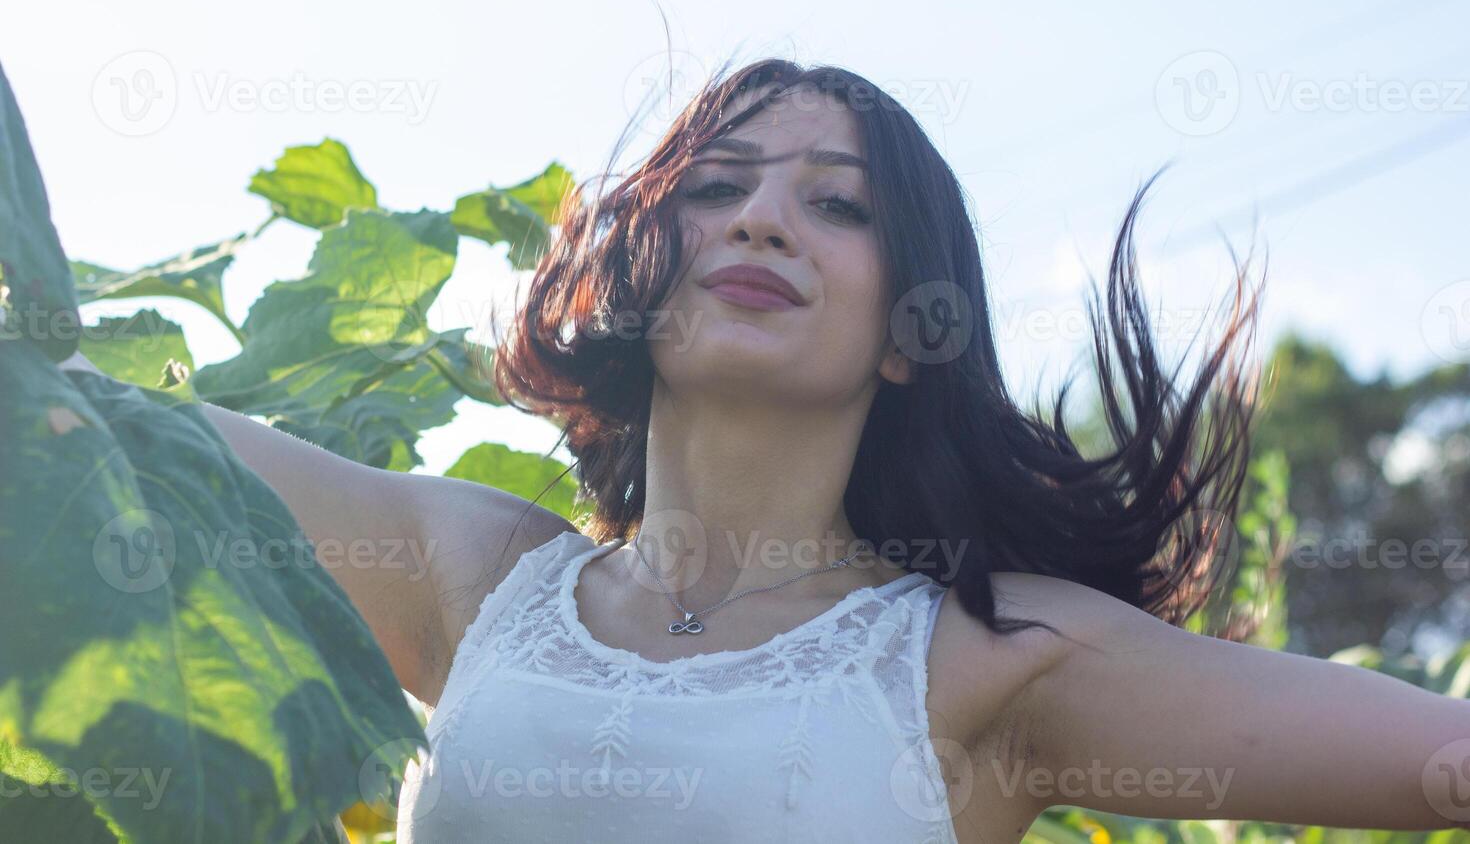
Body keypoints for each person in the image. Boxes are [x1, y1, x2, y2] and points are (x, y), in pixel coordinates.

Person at [62, 58, 1470, 841]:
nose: (758, 221)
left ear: (913, 330)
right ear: (641, 271)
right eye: (718, 187)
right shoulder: (471, 574)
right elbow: (104, 429)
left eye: (837, 205)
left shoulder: (989, 659)